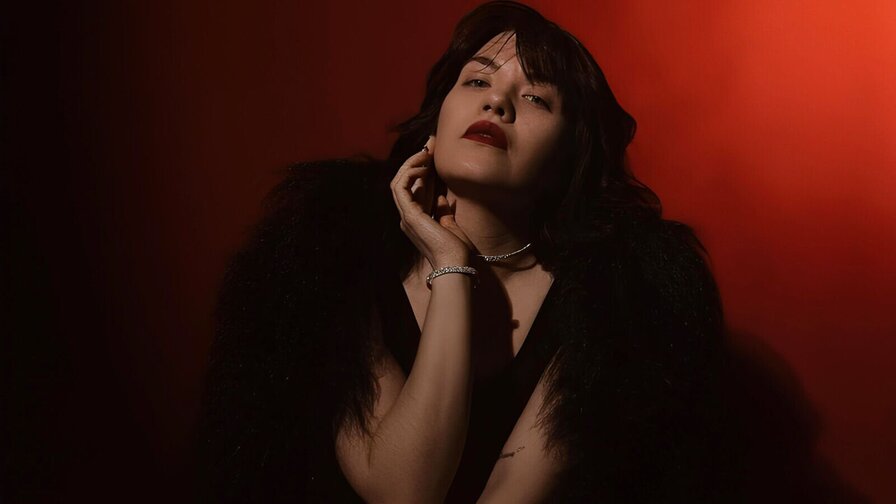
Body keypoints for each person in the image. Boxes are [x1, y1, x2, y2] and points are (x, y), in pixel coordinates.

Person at [196, 1, 729, 502]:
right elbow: (401, 489)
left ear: (570, 158)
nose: (496, 102)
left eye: (536, 98)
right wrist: (451, 266)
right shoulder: (335, 258)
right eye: (477, 80)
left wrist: (450, 264)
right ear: (436, 122)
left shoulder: (608, 302)